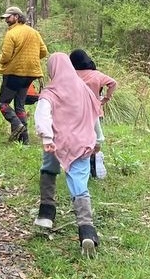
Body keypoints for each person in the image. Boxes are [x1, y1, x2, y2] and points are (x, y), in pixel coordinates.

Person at [33, 52, 102, 257]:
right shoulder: (85, 89)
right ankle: (87, 230)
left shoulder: (51, 91)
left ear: (53, 69)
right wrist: (98, 139)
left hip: (56, 142)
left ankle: (46, 214)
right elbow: (94, 115)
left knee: (49, 170)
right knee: (79, 184)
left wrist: (46, 138)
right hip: (81, 143)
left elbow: (42, 114)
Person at [0, 6, 48, 143]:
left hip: (14, 73)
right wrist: (31, 59)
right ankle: (24, 140)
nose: (6, 20)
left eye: (8, 17)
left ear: (17, 17)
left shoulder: (12, 33)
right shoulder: (34, 32)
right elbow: (44, 51)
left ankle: (17, 125)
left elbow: (5, 57)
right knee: (19, 105)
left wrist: (0, 60)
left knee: (3, 103)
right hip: (31, 74)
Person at [70, 49, 117, 179]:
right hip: (94, 110)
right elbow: (113, 83)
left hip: (76, 112)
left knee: (79, 138)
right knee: (96, 137)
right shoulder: (96, 75)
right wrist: (107, 97)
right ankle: (96, 162)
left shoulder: (71, 74)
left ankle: (81, 164)